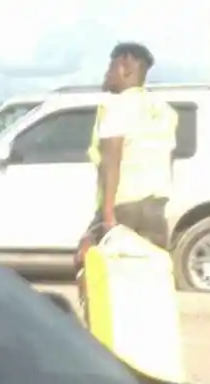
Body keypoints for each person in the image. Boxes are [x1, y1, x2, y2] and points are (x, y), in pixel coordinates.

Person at [81, 41, 178, 258]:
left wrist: (108, 217)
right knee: (147, 270)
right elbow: (167, 158)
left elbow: (111, 162)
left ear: (125, 67)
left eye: (110, 68)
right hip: (155, 209)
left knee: (89, 259)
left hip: (123, 207)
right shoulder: (163, 109)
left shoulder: (116, 106)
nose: (106, 75)